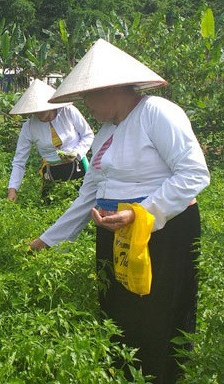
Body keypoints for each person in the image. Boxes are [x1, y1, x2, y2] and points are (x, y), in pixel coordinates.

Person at [29, 39, 210, 383]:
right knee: (117, 311)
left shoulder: (156, 112)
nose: (86, 107)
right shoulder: (106, 132)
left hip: (163, 233)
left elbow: (193, 173)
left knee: (156, 314)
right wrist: (48, 239)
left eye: (88, 98)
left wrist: (139, 213)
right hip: (115, 232)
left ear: (112, 89)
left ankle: (160, 377)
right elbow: (90, 193)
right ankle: (122, 375)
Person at [7, 79, 94, 201]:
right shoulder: (29, 126)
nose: (39, 112)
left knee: (84, 203)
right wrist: (12, 189)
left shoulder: (68, 111)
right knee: (50, 208)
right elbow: (19, 161)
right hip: (52, 172)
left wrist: (76, 153)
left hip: (78, 166)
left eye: (42, 108)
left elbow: (88, 135)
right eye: (35, 109)